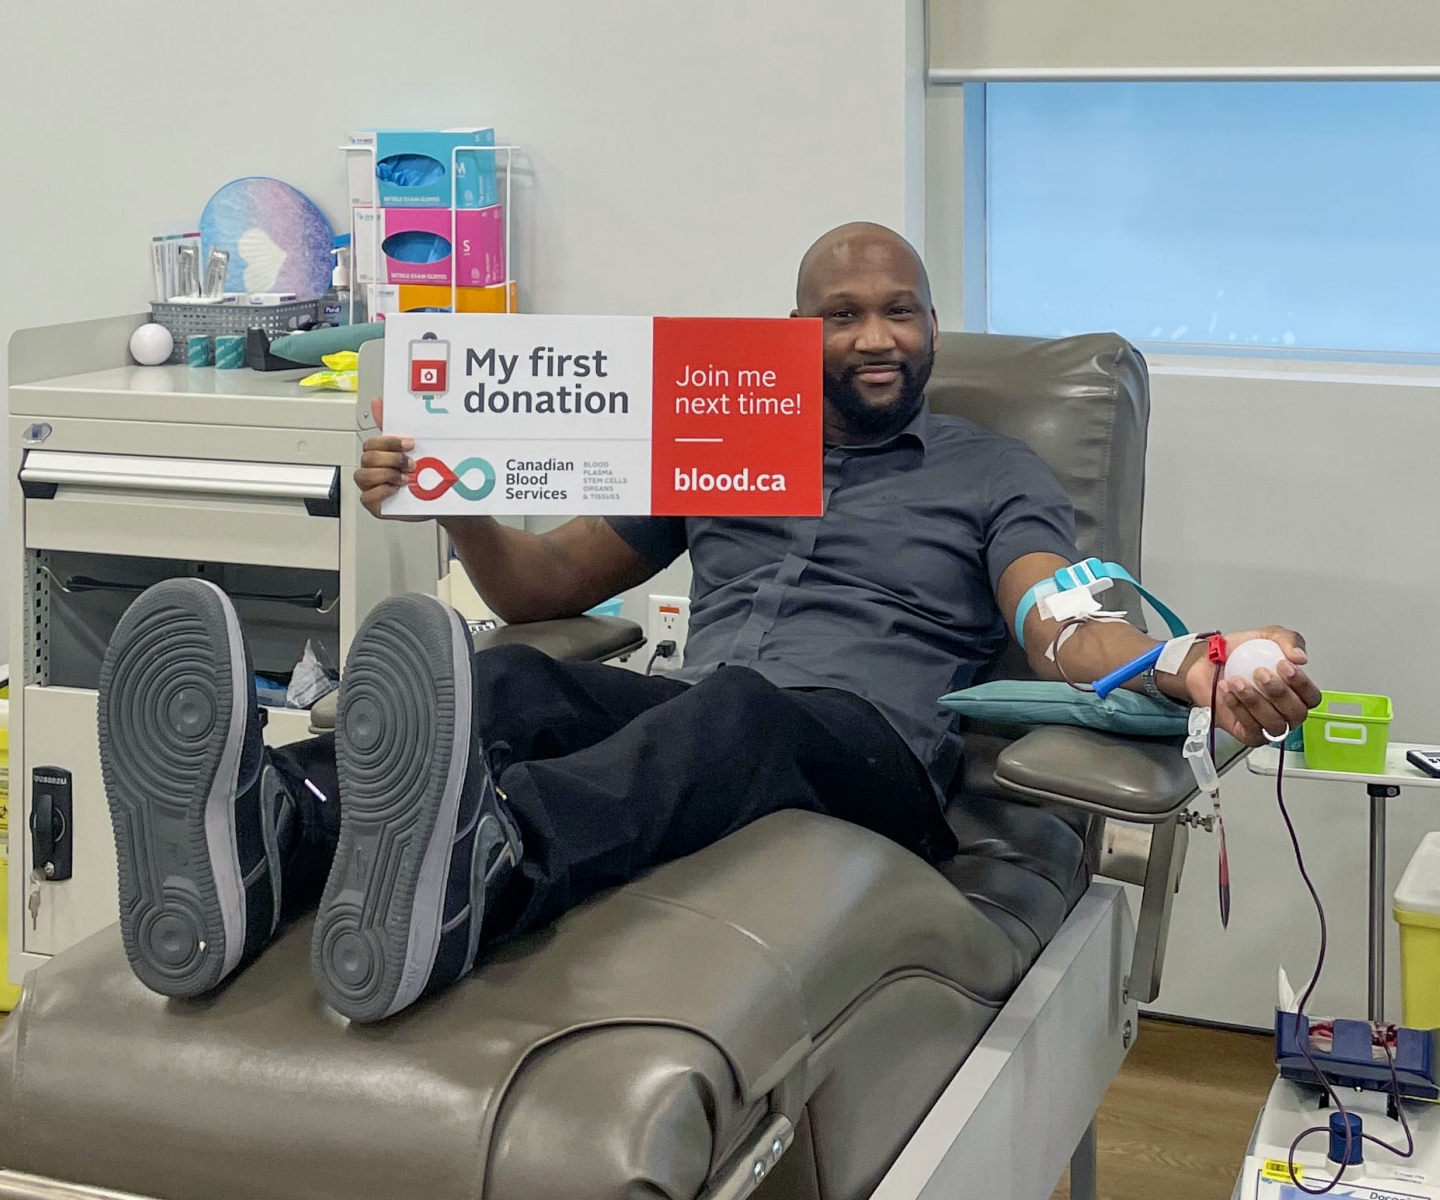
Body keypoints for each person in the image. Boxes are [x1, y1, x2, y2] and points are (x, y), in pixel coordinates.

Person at [96, 222, 1322, 1023]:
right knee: (510, 682)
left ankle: (492, 865)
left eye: (902, 309)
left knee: (734, 709)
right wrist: (448, 498)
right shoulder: (724, 442)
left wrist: (1184, 662)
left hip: (872, 759)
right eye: (843, 314)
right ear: (794, 336)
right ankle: (275, 827)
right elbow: (541, 591)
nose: (878, 336)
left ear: (935, 324)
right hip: (706, 728)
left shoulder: (988, 473)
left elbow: (1063, 620)